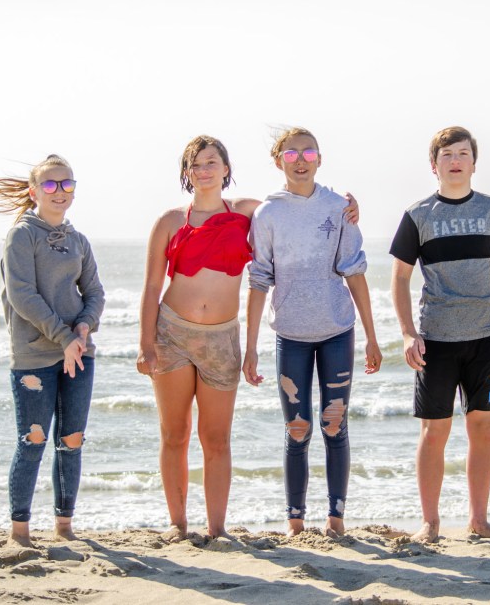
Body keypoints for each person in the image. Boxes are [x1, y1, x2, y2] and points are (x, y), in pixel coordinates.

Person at [137, 134, 358, 541]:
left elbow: (298, 202)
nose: (204, 170)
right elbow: (152, 287)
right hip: (172, 333)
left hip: (222, 338)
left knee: (216, 438)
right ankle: (177, 523)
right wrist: (145, 345)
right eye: (196, 164)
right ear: (187, 173)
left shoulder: (247, 212)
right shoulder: (169, 221)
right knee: (175, 433)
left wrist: (345, 206)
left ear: (226, 169)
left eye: (212, 162)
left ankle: (217, 528)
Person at [390, 126, 490, 543]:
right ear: (434, 165)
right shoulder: (418, 215)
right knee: (434, 431)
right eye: (447, 154)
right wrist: (407, 333)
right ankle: (430, 522)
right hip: (436, 340)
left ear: (474, 162)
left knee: (483, 427)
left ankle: (479, 520)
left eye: (463, 153)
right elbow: (399, 278)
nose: (455, 161)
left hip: (486, 337)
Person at [243, 127, 382, 538]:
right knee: (297, 429)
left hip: (337, 330)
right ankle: (295, 521)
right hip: (290, 336)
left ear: (320, 159)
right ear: (278, 161)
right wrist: (250, 347)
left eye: (308, 152)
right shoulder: (267, 214)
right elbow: (259, 279)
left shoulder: (339, 208)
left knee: (334, 424)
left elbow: (355, 272)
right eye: (291, 154)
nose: (300, 160)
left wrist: (372, 336)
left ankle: (336, 519)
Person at [0, 154, 105, 547]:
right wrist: (63, 337)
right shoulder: (22, 236)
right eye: (50, 184)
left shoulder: (78, 241)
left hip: (79, 355)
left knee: (72, 441)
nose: (59, 191)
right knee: (32, 440)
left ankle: (64, 527)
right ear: (35, 192)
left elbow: (95, 293)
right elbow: (23, 296)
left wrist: (83, 327)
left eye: (67, 184)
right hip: (35, 355)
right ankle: (20, 531)